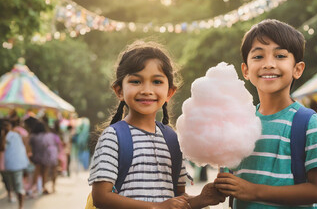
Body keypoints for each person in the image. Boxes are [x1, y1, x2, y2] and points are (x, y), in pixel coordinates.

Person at [88, 40, 225, 209]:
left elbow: (177, 199)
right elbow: (101, 197)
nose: (147, 90)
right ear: (119, 91)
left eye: (157, 82)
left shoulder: (172, 139)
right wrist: (156, 207)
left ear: (169, 92)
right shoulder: (113, 137)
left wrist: (202, 199)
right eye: (136, 81)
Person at [214, 19, 317, 208]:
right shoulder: (238, 121)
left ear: (297, 69)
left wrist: (253, 191)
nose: (268, 64)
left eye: (280, 56)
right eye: (258, 57)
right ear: (245, 70)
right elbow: (232, 180)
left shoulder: (308, 122)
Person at [1, 118, 30, 209]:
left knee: (8, 182)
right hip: (19, 164)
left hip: (6, 165)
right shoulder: (17, 134)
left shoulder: (5, 137)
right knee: (18, 186)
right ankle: (20, 206)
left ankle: (11, 194)